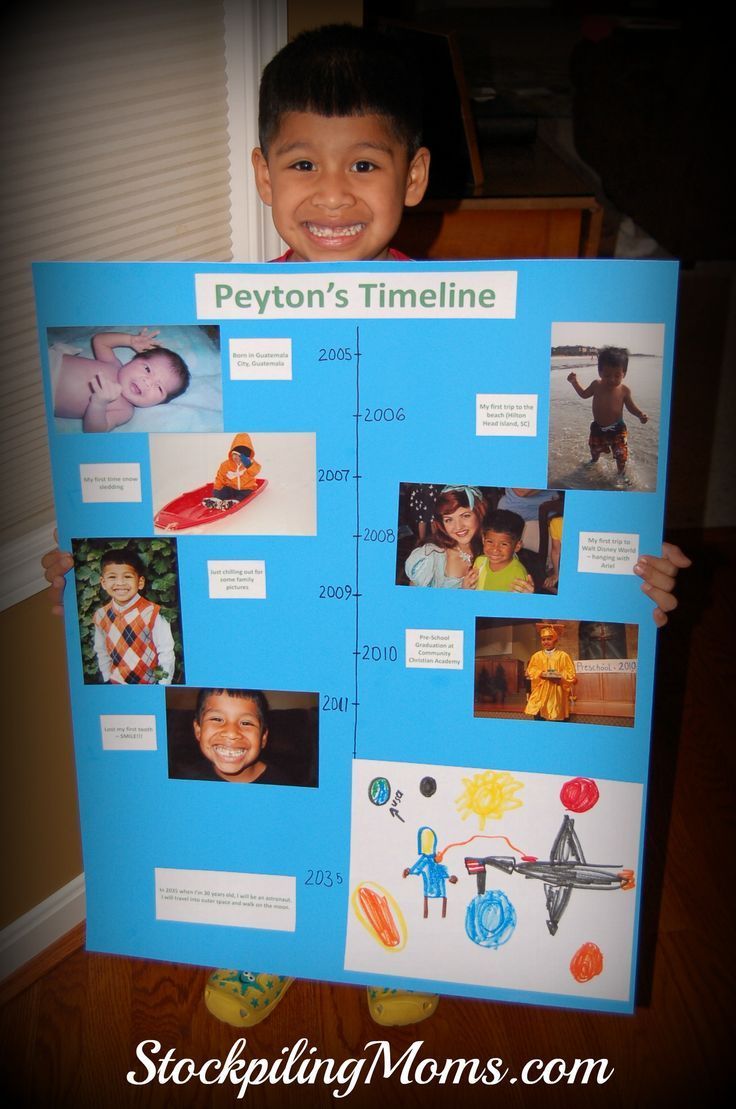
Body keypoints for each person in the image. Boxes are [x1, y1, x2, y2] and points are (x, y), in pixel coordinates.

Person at [41, 21, 690, 1026]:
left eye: (365, 163)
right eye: (302, 162)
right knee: (260, 765)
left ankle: (404, 929)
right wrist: (94, 566)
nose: (332, 193)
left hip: (416, 623)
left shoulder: (484, 327)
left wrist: (621, 572)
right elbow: (183, 491)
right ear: (261, 173)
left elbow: (557, 507)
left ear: (415, 173)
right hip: (273, 616)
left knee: (413, 749)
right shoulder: (216, 333)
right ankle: (268, 933)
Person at [52, 328, 190, 431]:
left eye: (159, 388)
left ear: (158, 403)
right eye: (147, 369)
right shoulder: (113, 365)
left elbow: (93, 431)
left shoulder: (124, 411)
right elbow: (99, 341)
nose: (148, 382)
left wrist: (99, 403)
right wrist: (129, 340)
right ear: (135, 359)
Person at [92, 546, 175, 685]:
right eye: (112, 577)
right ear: (103, 583)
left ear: (140, 582)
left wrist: (162, 686)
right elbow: (102, 651)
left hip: (149, 686)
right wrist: (108, 678)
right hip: (117, 687)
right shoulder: (101, 616)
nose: (120, 583)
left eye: (127, 576)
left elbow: (166, 653)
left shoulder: (153, 613)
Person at [567, 346, 648, 486]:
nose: (612, 379)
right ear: (600, 372)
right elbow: (584, 395)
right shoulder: (596, 385)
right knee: (595, 449)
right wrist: (574, 382)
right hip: (598, 428)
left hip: (617, 428)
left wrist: (640, 414)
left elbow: (630, 407)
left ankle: (621, 474)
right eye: (607, 375)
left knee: (621, 454)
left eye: (617, 375)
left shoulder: (624, 390)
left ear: (624, 373)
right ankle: (594, 461)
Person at [405, 486, 486, 588]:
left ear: (479, 514)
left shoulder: (494, 549)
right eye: (449, 520)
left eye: (465, 516)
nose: (458, 526)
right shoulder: (431, 557)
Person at [524, 623, 577, 721]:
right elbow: (531, 670)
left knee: (556, 719)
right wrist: (541, 673)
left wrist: (559, 676)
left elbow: (571, 674)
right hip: (541, 692)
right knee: (539, 719)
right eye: (543, 639)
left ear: (555, 640)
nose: (546, 642)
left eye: (549, 639)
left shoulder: (563, 656)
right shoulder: (536, 656)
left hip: (557, 692)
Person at [474, 508, 534, 592]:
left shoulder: (518, 574)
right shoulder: (479, 562)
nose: (495, 549)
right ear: (483, 540)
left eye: (504, 544)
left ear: (517, 546)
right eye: (490, 541)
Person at [202, 433, 261, 509]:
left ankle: (233, 502)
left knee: (244, 495)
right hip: (231, 488)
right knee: (223, 490)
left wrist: (249, 465)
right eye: (234, 454)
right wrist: (217, 490)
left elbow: (255, 471)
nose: (236, 457)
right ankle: (216, 500)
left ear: (245, 457)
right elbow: (220, 478)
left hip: (245, 489)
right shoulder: (226, 465)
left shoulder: (250, 464)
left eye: (239, 455)